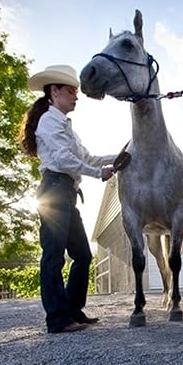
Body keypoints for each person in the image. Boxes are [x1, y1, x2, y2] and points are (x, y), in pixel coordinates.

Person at [18, 64, 116, 334]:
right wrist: (98, 174)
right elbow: (63, 159)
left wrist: (117, 155)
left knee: (83, 255)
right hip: (54, 190)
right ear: (55, 91)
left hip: (66, 193)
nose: (76, 96)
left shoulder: (66, 126)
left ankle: (73, 310)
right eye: (72, 91)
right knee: (53, 256)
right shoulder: (49, 121)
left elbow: (85, 157)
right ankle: (58, 319)